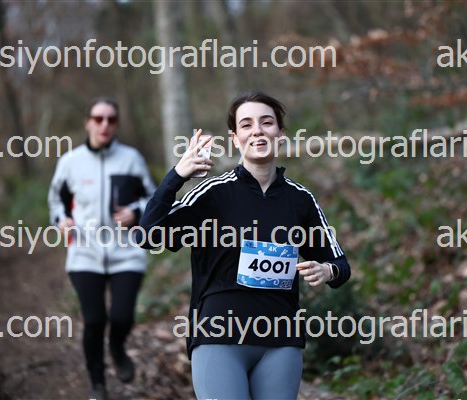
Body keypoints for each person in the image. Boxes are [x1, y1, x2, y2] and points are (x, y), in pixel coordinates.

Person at [139, 91, 351, 399]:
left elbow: (340, 265)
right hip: (219, 336)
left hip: (281, 341)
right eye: (247, 124)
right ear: (235, 138)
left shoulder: (300, 200)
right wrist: (176, 177)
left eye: (267, 122)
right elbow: (148, 235)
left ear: (280, 133)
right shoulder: (213, 194)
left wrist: (327, 270)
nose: (257, 131)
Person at [48, 97, 156, 400]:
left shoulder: (132, 159)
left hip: (127, 253)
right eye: (98, 119)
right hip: (85, 254)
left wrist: (136, 212)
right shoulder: (70, 162)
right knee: (94, 321)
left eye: (111, 119)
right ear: (88, 122)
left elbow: (154, 198)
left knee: (122, 317)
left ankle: (117, 347)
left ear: (117, 124)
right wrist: (61, 220)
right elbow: (56, 201)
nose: (104, 125)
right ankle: (97, 384)